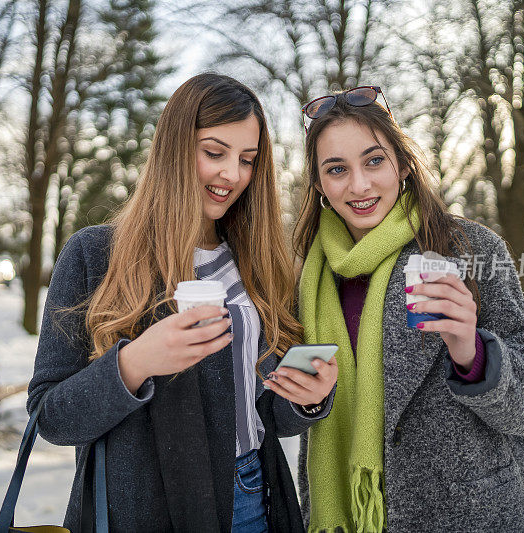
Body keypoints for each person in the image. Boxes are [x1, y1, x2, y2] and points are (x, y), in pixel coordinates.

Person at [27, 73, 338, 533]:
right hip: (144, 512)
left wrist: (306, 400)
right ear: (173, 148)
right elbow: (50, 417)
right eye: (214, 152)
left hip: (252, 496)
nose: (231, 174)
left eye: (247, 160)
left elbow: (264, 414)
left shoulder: (257, 265)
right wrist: (134, 363)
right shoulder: (96, 255)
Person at [292, 86, 524, 532]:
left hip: (468, 513)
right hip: (346, 516)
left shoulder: (471, 250)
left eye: (374, 160)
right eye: (337, 169)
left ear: (404, 164)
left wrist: (474, 353)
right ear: (319, 183)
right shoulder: (306, 274)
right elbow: (298, 405)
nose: (359, 185)